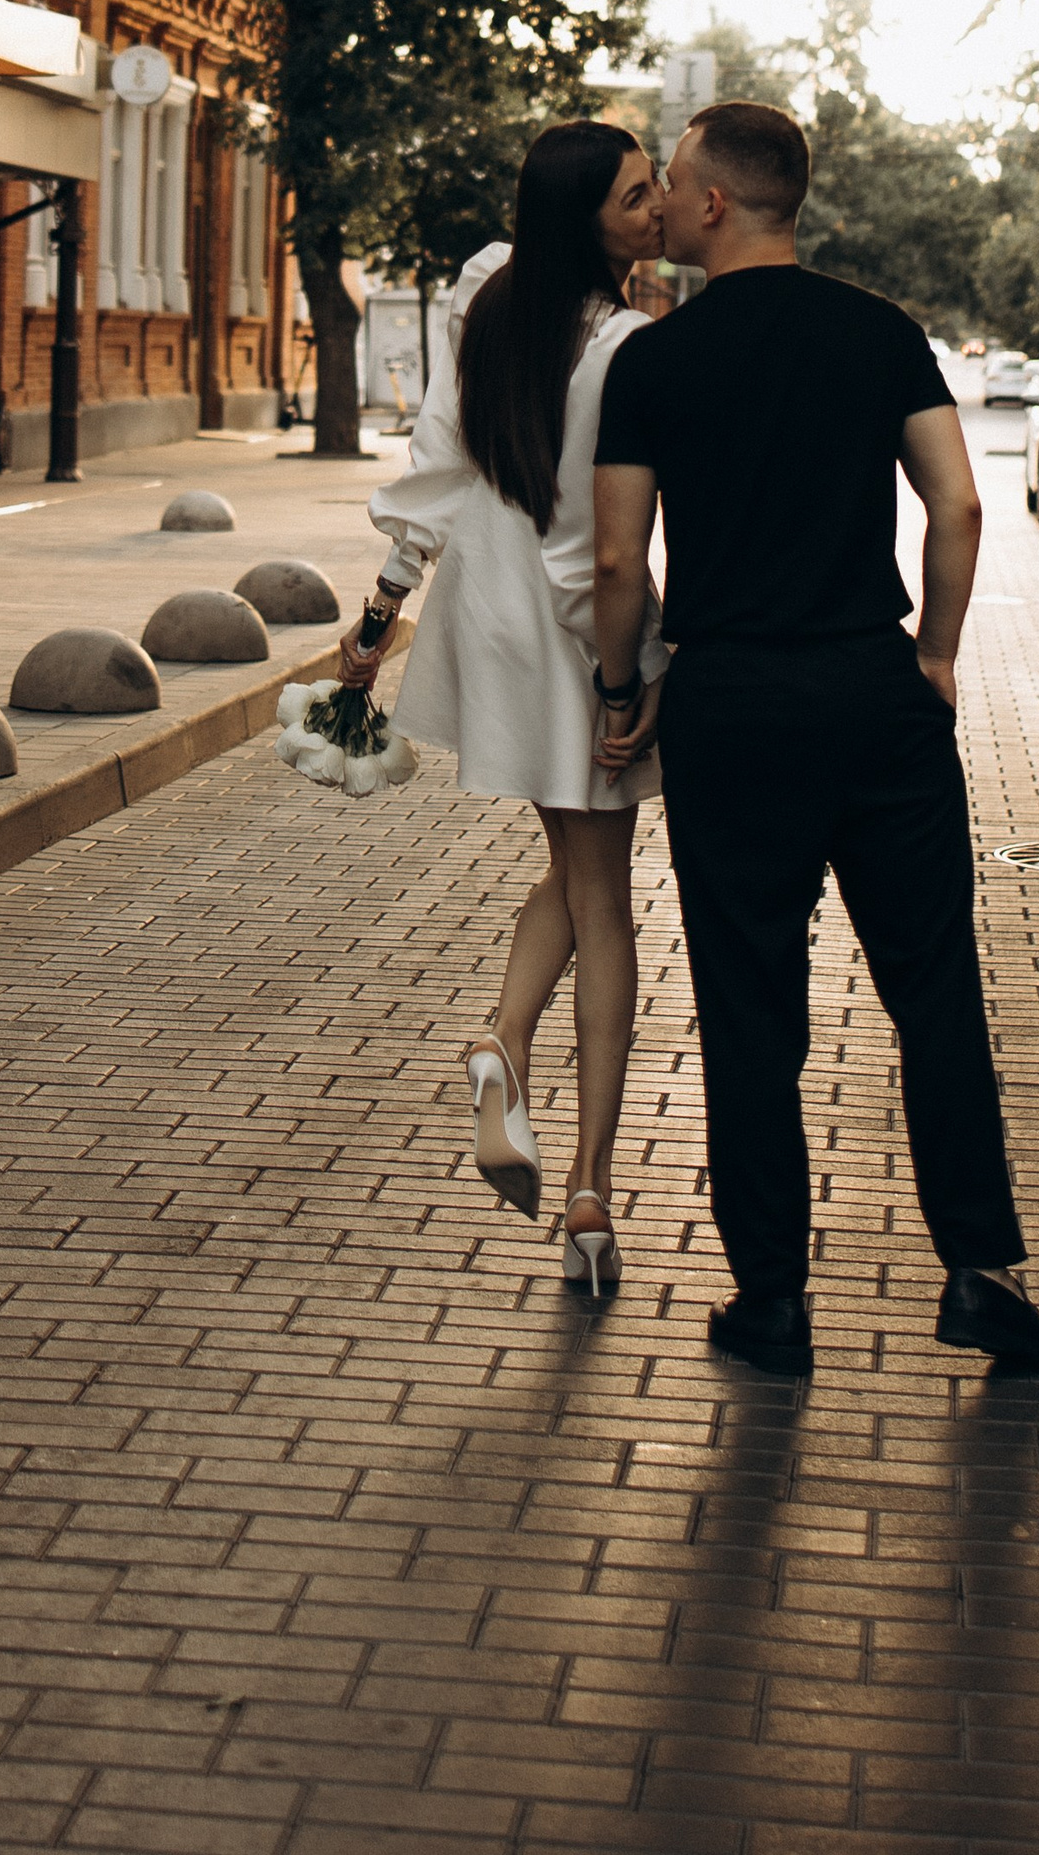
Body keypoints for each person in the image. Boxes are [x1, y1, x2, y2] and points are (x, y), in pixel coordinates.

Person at [591, 99, 1039, 1381]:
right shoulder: (881, 331)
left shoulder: (655, 361)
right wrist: (935, 654)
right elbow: (959, 503)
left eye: (676, 180)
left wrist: (617, 683)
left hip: (734, 705)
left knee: (752, 1009)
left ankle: (773, 1301)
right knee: (934, 990)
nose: (667, 199)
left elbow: (618, 558)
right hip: (874, 695)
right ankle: (981, 1274)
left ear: (713, 205)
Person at [335, 121, 669, 1294]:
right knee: (605, 895)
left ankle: (503, 1038)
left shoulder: (488, 295)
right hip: (584, 631)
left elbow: (432, 463)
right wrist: (629, 675)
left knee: (569, 867)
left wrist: (379, 616)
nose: (657, 206)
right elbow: (610, 549)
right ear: (589, 218)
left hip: (490, 617)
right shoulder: (631, 343)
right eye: (636, 195)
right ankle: (588, 1187)